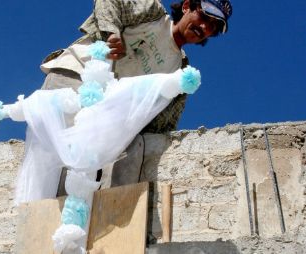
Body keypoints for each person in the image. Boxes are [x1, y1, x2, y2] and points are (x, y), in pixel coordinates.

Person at [40, 0, 233, 194]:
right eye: (203, 17)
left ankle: (106, 215)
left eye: (212, 27)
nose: (204, 27)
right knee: (57, 160)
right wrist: (112, 33)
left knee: (127, 150)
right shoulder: (153, 14)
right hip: (77, 75)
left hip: (105, 115)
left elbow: (161, 124)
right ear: (186, 7)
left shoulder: (179, 70)